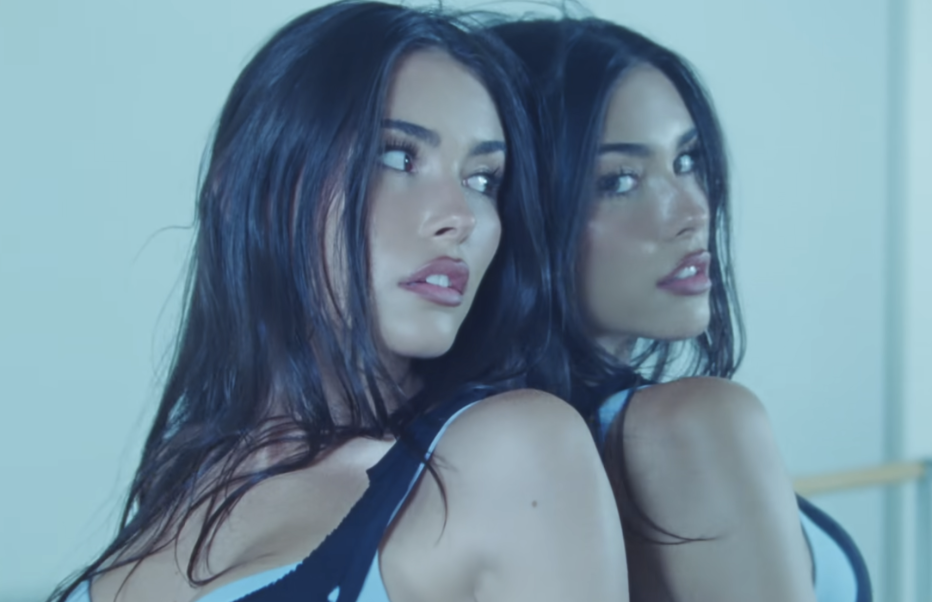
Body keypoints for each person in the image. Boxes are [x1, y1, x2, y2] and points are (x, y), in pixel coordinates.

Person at [50, 4, 630, 602]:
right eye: (398, 157)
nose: (460, 217)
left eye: (483, 179)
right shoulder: (180, 473)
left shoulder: (509, 457)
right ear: (251, 185)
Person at [492, 16, 872, 602]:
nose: (693, 212)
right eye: (619, 181)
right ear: (523, 206)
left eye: (688, 160)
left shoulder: (474, 448)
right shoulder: (690, 426)